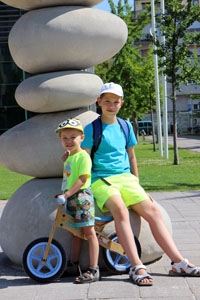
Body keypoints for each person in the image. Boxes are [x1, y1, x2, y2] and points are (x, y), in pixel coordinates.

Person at [81, 82, 200, 286]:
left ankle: (178, 263)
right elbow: (84, 159)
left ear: (121, 104)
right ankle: (137, 266)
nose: (111, 105)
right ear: (99, 102)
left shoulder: (125, 126)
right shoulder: (91, 129)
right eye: (107, 101)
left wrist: (138, 185)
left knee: (153, 211)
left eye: (115, 102)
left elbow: (132, 157)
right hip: (101, 179)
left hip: (126, 179)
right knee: (120, 210)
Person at [55, 118, 99, 283]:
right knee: (75, 234)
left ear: (81, 137)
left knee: (89, 233)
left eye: (73, 137)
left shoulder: (83, 157)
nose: (68, 141)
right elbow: (69, 175)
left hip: (81, 197)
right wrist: (64, 160)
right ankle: (74, 264)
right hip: (71, 197)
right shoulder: (69, 157)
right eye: (64, 138)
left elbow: (81, 179)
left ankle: (94, 269)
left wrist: (66, 195)